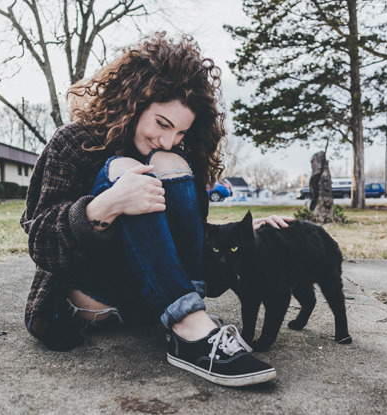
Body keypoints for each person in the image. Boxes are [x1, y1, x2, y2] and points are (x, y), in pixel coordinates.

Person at [20, 33, 292, 387]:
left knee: (165, 162)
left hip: (149, 305)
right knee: (123, 170)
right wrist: (109, 203)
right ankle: (191, 328)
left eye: (180, 132)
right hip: (88, 302)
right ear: (133, 102)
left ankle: (186, 319)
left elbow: (188, 238)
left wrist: (248, 236)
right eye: (163, 124)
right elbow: (41, 242)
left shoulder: (177, 157)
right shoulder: (74, 141)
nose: (168, 139)